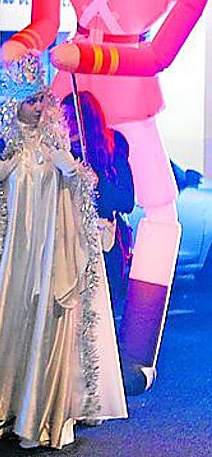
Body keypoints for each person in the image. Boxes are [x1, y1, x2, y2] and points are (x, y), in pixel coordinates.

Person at [0, 53, 127, 449]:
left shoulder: (56, 150)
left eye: (42, 99)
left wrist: (73, 174)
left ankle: (40, 417)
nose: (39, 108)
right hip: (8, 267)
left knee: (46, 325)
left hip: (47, 261)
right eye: (31, 100)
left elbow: (78, 199)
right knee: (7, 324)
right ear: (13, 104)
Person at [61, 90, 135, 313]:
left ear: (88, 120)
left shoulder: (113, 145)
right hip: (69, 245)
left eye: (73, 118)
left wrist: (98, 182)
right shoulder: (61, 154)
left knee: (102, 312)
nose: (67, 125)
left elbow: (126, 200)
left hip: (105, 243)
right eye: (63, 118)